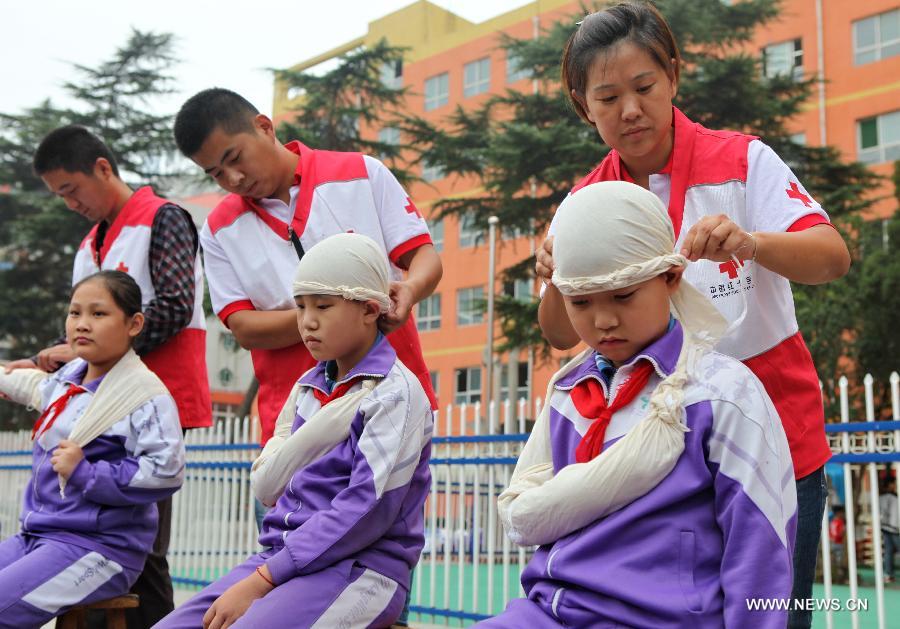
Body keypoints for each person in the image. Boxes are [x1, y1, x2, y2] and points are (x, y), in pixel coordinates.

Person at [535, 4, 850, 626]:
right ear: (583, 106)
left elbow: (832, 257)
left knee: (771, 613)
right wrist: (551, 278)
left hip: (776, 445)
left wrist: (753, 242)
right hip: (657, 456)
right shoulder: (585, 202)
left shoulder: (741, 161)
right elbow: (555, 332)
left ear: (673, 76)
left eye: (644, 87)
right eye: (607, 97)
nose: (630, 109)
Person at [477, 181, 796, 628]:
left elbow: (758, 546)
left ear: (671, 277)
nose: (603, 320)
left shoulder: (722, 393)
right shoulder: (567, 394)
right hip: (543, 614)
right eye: (580, 302)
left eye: (623, 295)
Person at [155, 233, 433, 628]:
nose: (307, 321)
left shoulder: (394, 394)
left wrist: (262, 581)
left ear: (370, 310)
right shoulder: (310, 387)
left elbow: (364, 511)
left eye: (323, 305)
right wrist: (267, 574)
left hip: (363, 570)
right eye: (300, 306)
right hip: (284, 561)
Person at [3, 125, 211, 626]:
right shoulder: (90, 244)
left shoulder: (163, 217)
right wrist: (60, 360)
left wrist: (84, 352)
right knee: (113, 543)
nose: (70, 203)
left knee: (143, 551)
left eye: (71, 190)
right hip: (90, 399)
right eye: (59, 196)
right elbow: (82, 336)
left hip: (150, 394)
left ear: (102, 168)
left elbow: (177, 306)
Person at [172, 88, 440, 455]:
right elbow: (244, 328)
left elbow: (424, 257)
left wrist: (409, 290)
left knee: (387, 509)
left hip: (390, 402)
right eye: (216, 174)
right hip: (294, 420)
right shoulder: (219, 229)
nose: (233, 178)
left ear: (264, 127)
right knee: (288, 513)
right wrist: (335, 313)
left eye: (235, 158)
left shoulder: (361, 173)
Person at [0, 271, 185, 629]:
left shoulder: (144, 395)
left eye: (98, 314)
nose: (82, 324)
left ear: (134, 324)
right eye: (75, 313)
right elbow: (34, 386)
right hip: (38, 536)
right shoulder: (70, 376)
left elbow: (167, 470)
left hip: (100, 548)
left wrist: (85, 472)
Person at [880, 478, 898, 583]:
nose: (895, 485)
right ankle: (888, 573)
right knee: (889, 551)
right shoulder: (892, 497)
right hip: (893, 527)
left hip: (885, 526)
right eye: (893, 484)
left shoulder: (882, 496)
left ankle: (888, 573)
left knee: (888, 551)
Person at [829, 505, 846, 583]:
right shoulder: (840, 522)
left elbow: (830, 532)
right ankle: (839, 577)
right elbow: (841, 533)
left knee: (833, 559)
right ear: (839, 513)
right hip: (838, 543)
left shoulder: (832, 521)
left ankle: (834, 575)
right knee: (839, 560)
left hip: (832, 543)